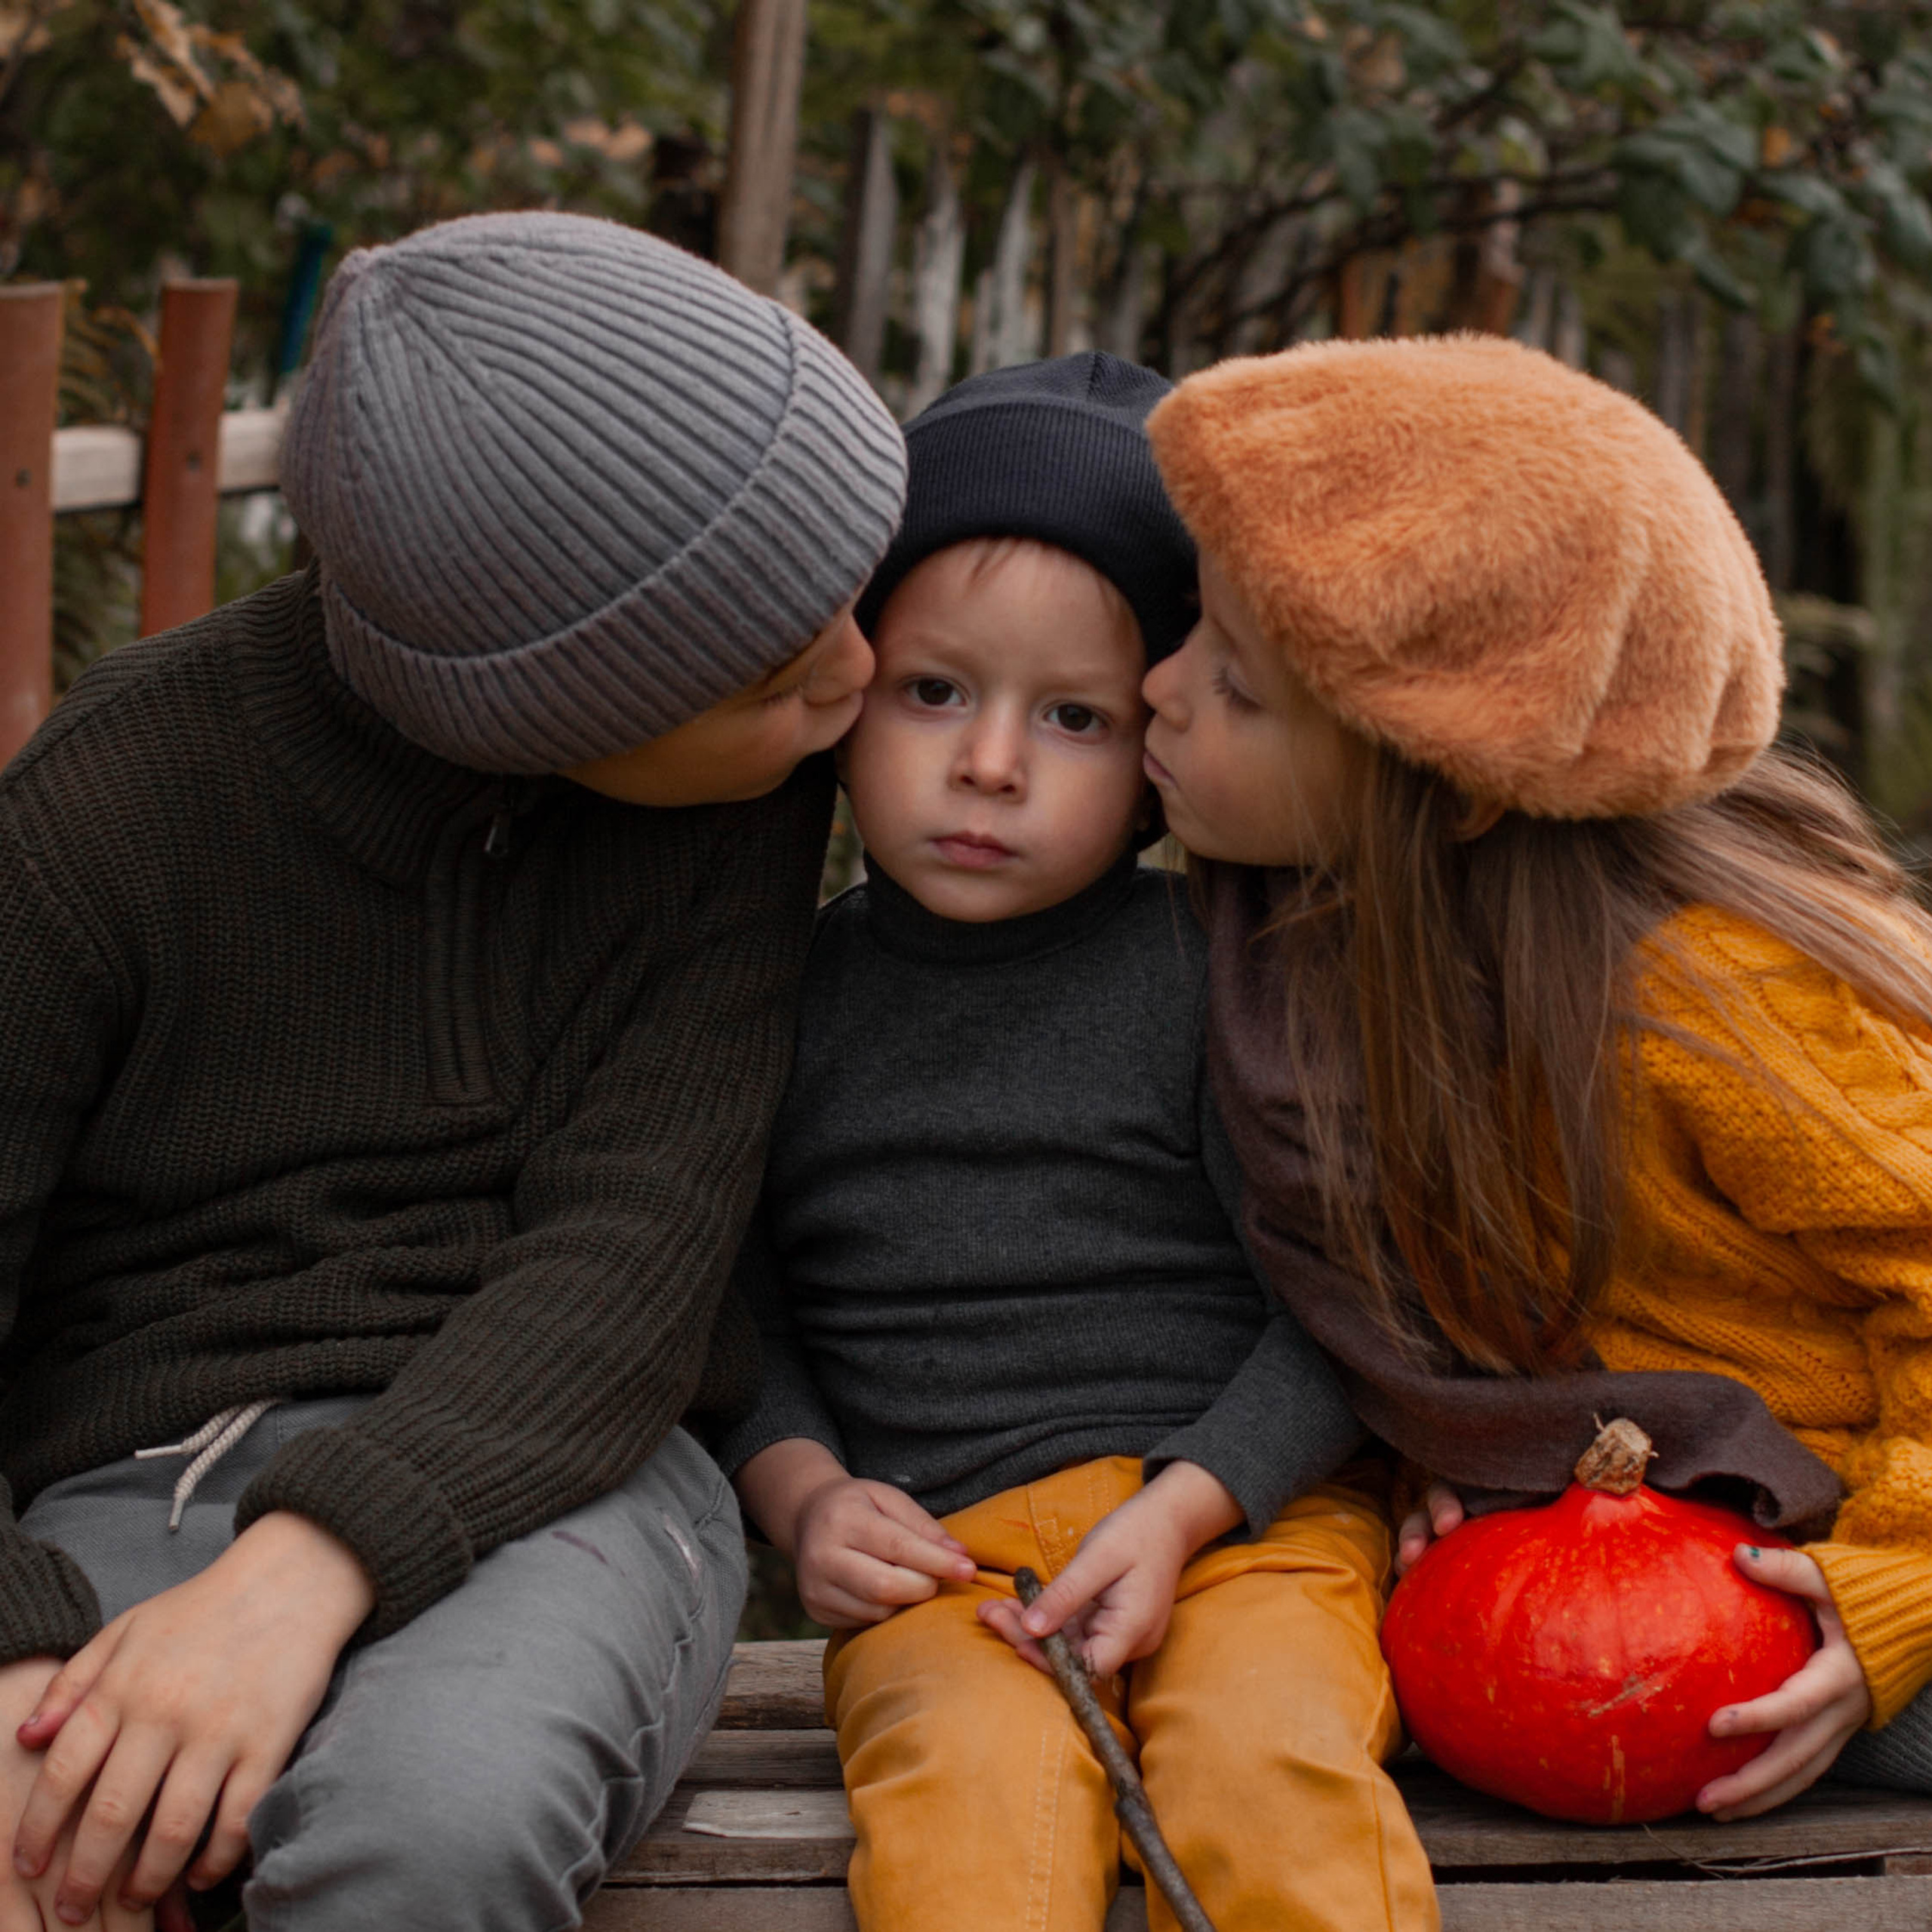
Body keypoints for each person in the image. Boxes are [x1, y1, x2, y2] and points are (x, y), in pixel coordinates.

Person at [0, 211, 906, 1931]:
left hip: (565, 1483)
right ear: (543, 721)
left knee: (435, 1829)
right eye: (787, 679)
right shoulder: (108, 810)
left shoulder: (727, 804)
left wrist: (302, 1572)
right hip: (138, 1471)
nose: (857, 679)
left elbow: (630, 1257)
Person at [1138, 330, 1932, 1827]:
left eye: (1235, 689)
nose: (1156, 690)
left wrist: (1887, 1591)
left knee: (1802, 1728)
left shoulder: (1712, 993)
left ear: (1444, 791)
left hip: (1865, 1506)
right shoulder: (1329, 945)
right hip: (1653, 1509)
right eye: (1188, 633)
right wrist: (1459, 1445)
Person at [719, 353, 1429, 1932]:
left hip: (1240, 1522)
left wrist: (1188, 1505)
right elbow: (731, 1300)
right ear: (844, 699)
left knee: (1266, 1769)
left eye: (1071, 716)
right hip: (942, 1563)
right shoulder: (775, 989)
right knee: (962, 1826)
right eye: (934, 691)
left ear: (1156, 751)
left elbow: (1338, 1292)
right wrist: (807, 1494)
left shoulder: (1208, 970)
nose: (988, 764)